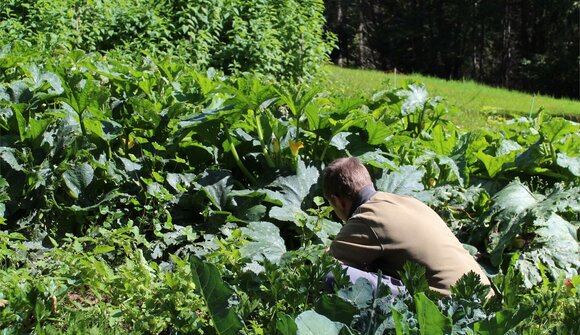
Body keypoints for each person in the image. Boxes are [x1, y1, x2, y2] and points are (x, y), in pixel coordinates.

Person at [322, 157, 492, 296]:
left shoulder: (367, 216)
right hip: (484, 299)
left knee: (331, 276)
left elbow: (327, 265)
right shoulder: (410, 202)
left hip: (449, 308)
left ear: (337, 201)